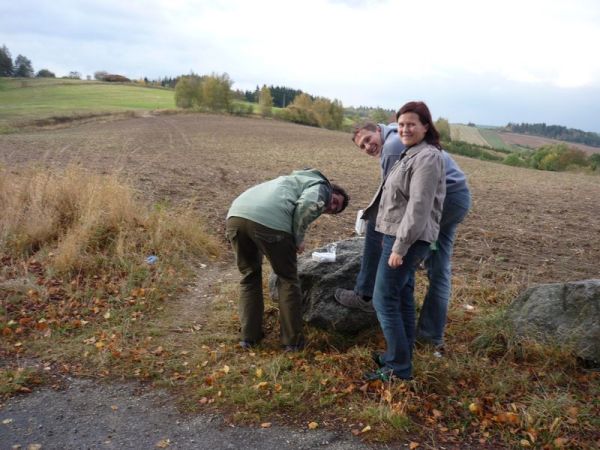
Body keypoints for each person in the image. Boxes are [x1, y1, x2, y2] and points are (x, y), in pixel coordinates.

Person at [335, 119, 470, 354]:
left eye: (368, 140)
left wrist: (376, 225)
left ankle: (365, 294)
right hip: (456, 197)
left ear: (378, 130)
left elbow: (391, 199)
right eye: (362, 147)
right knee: (438, 269)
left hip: (442, 199)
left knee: (382, 231)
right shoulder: (397, 138)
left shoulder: (392, 146)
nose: (367, 147)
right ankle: (430, 336)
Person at [360, 101, 446, 381]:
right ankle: (401, 354)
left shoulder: (428, 158)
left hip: (407, 239)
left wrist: (399, 246)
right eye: (401, 124)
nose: (405, 129)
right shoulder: (410, 154)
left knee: (383, 299)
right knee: (401, 295)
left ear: (425, 126)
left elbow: (419, 208)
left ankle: (398, 369)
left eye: (411, 124)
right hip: (395, 234)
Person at [226, 169, 349, 352]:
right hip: (270, 223)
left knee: (249, 276)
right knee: (288, 280)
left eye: (333, 211)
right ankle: (292, 342)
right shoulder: (322, 186)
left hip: (236, 217)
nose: (330, 208)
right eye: (334, 202)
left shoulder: (291, 180)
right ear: (333, 190)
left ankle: (249, 338)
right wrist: (297, 239)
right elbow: (307, 205)